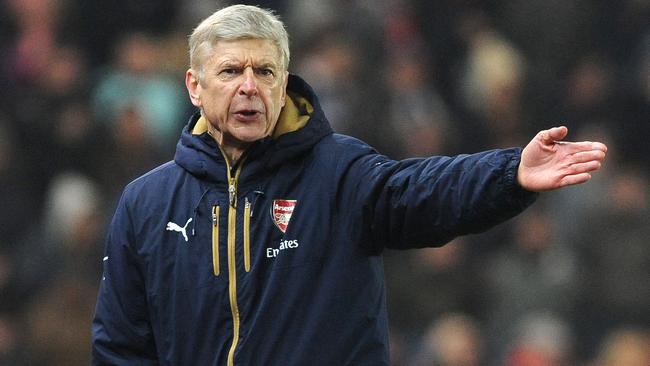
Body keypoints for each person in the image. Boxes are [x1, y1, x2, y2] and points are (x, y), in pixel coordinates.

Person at [91, 5, 607, 365]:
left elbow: (419, 190)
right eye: (230, 71)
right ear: (194, 86)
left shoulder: (338, 172)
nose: (250, 86)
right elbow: (121, 346)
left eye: (265, 71)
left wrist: (510, 172)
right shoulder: (146, 202)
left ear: (285, 80)